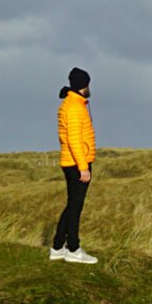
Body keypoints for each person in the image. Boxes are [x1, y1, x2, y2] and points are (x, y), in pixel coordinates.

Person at [52, 67, 98, 264]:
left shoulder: (74, 104)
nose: (89, 88)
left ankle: (57, 247)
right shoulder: (74, 107)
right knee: (75, 207)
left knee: (72, 205)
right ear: (82, 86)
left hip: (73, 162)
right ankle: (73, 249)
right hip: (76, 163)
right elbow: (74, 140)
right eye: (87, 84)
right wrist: (83, 167)